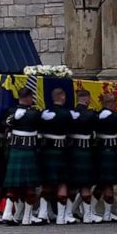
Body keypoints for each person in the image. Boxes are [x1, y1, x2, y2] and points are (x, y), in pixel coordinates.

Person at [2, 88, 43, 226]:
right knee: (30, 185)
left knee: (14, 184)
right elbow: (40, 123)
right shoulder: (34, 113)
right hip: (28, 150)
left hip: (15, 150)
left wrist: (14, 117)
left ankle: (8, 213)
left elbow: (6, 123)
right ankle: (26, 217)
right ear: (28, 97)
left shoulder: (12, 111)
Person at [37, 87, 74, 225]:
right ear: (63, 97)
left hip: (47, 151)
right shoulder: (67, 114)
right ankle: (61, 217)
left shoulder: (44, 113)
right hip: (62, 150)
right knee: (62, 182)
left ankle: (43, 213)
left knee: (46, 183)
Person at [91, 93, 117, 222]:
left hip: (99, 149)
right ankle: (107, 213)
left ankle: (92, 210)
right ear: (111, 103)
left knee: (101, 183)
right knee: (108, 183)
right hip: (110, 150)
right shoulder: (114, 116)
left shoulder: (96, 115)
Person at [67, 90, 102, 224]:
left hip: (72, 150)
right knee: (86, 184)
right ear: (87, 99)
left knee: (73, 185)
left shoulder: (70, 114)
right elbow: (98, 126)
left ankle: (69, 213)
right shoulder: (90, 115)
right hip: (85, 149)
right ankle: (87, 215)